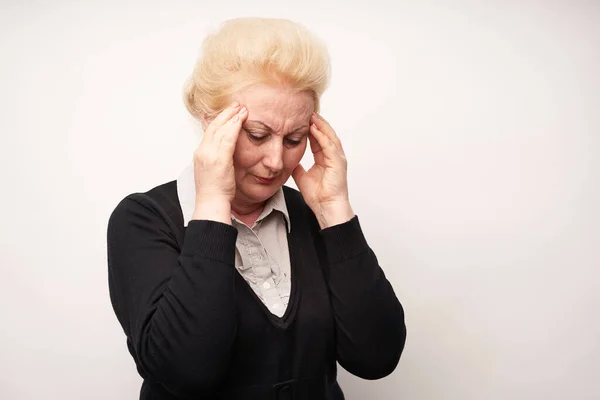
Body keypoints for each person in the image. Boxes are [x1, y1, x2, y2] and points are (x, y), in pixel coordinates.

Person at [107, 17, 406, 400]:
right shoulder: (143, 220)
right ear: (212, 124)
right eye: (258, 135)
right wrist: (213, 201)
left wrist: (334, 212)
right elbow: (187, 370)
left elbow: (376, 358)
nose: (275, 161)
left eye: (294, 138)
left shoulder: (312, 216)